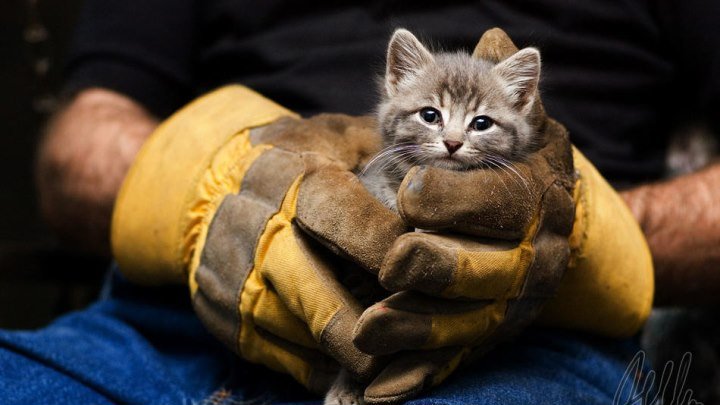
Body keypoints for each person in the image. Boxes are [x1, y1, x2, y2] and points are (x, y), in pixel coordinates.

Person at [7, 0, 717, 404]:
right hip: (175, 313)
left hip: (523, 339)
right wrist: (208, 179)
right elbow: (78, 147)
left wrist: (580, 232)